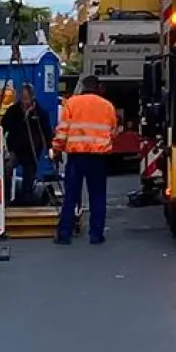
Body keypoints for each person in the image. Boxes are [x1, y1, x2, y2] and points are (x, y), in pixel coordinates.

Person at [52, 74, 118, 245]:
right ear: (98, 87)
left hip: (76, 157)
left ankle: (64, 234)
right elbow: (113, 131)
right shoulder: (107, 106)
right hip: (98, 158)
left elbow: (62, 130)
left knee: (71, 196)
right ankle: (96, 234)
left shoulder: (72, 103)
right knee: (97, 196)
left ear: (82, 86)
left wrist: (57, 149)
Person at [1, 83, 52, 205]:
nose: (24, 102)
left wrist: (51, 149)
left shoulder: (40, 113)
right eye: (22, 98)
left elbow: (47, 132)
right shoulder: (13, 111)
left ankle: (26, 199)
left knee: (29, 175)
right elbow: (2, 127)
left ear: (32, 97)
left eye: (27, 98)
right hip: (15, 149)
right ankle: (5, 197)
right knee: (7, 167)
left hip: (32, 151)